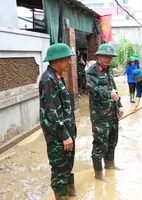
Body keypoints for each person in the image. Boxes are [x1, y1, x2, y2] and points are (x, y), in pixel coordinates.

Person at [39, 43, 77, 199]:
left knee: (67, 165)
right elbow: (51, 113)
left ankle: (71, 193)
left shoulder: (57, 77)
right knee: (59, 170)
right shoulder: (48, 80)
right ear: (57, 60)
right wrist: (64, 136)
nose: (69, 62)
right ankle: (62, 196)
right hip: (58, 136)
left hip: (66, 132)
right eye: (67, 59)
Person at [85, 43, 124, 183]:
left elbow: (114, 89)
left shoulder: (108, 71)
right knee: (100, 144)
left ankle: (110, 164)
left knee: (112, 141)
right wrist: (108, 94)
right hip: (100, 116)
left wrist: (119, 105)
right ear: (98, 56)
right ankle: (98, 174)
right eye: (105, 56)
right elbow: (91, 89)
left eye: (110, 57)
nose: (108, 59)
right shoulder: (92, 71)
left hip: (112, 114)